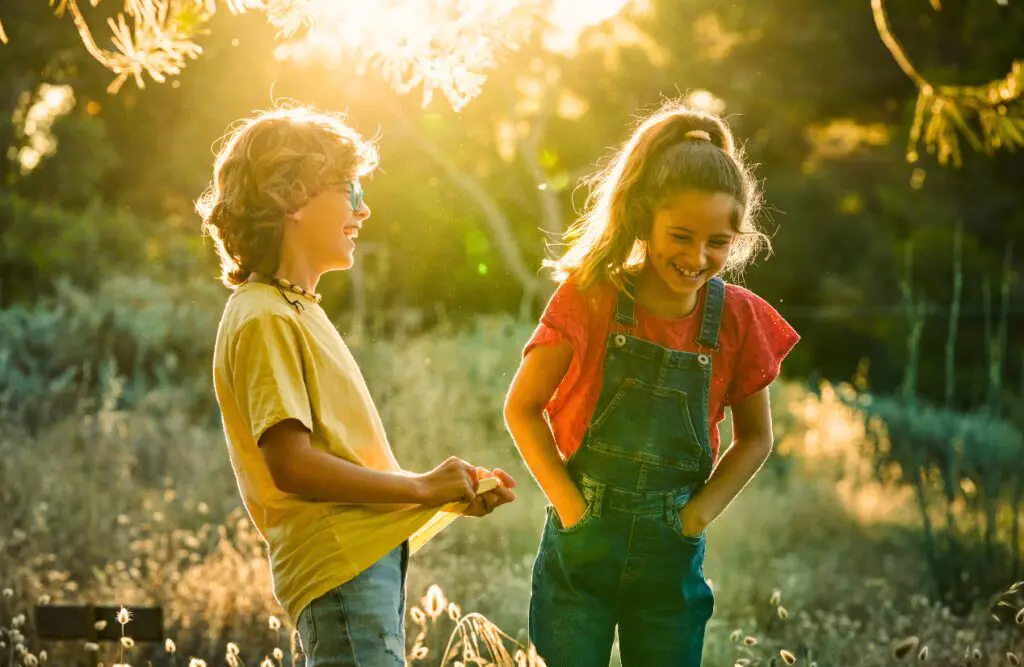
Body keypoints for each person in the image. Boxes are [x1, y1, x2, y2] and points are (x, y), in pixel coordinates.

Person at [196, 106, 516, 667]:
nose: (363, 208)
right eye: (351, 189)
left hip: (360, 565)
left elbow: (339, 460)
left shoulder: (296, 309)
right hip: (340, 569)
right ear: (291, 198)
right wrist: (420, 486)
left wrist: (438, 495)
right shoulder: (264, 315)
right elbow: (293, 466)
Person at [503, 101, 800, 667]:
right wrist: (572, 509)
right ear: (644, 220)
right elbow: (522, 407)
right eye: (680, 236)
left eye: (717, 241)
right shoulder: (590, 295)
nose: (697, 257)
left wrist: (695, 519)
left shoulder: (739, 319)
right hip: (582, 542)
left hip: (672, 553)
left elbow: (756, 438)